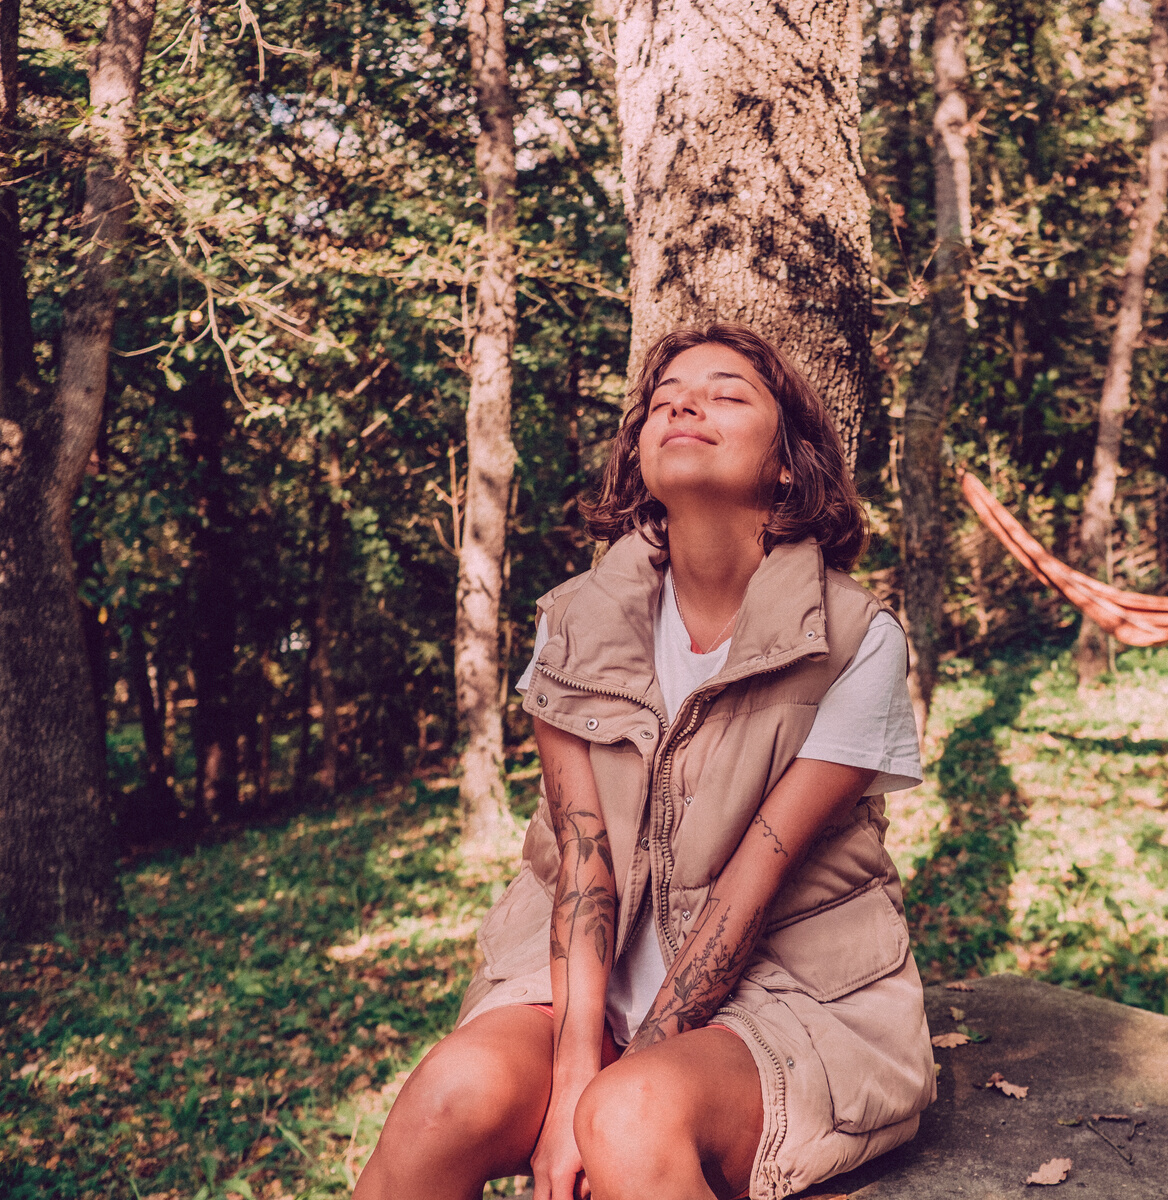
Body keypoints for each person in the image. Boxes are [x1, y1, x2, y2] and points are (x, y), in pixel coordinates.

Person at [355, 323, 936, 1200]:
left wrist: (602, 1101)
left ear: (789, 464)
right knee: (447, 1096)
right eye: (665, 399)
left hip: (788, 1001)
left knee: (627, 1118)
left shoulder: (856, 639)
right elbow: (580, 865)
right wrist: (572, 1074)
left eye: (727, 393)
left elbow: (751, 889)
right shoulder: (571, 627)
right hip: (585, 993)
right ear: (641, 459)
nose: (684, 404)